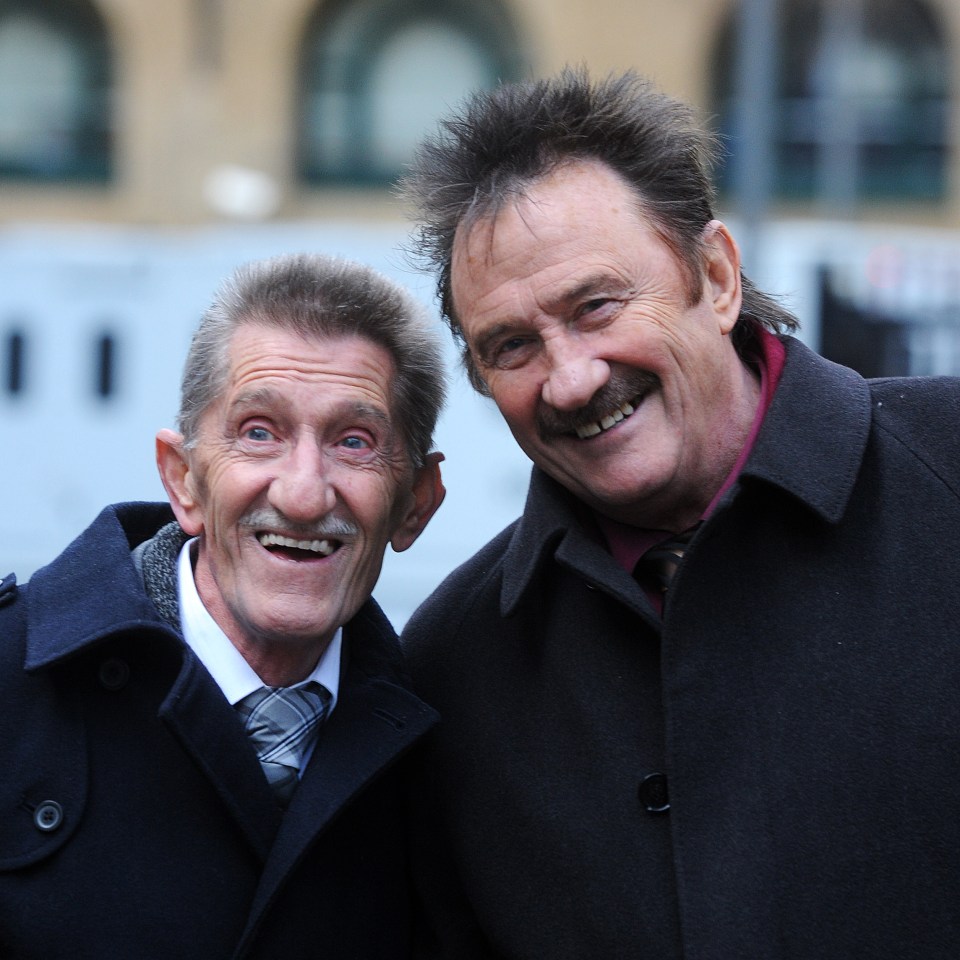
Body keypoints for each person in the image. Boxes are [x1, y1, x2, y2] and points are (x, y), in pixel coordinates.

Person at [399, 68, 960, 959]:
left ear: (717, 276)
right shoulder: (452, 669)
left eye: (598, 306)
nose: (573, 377)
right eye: (512, 346)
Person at [0, 252, 446, 959]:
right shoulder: (10, 682)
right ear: (184, 481)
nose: (303, 495)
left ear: (415, 503)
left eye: (353, 442)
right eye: (259, 432)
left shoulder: (453, 741)